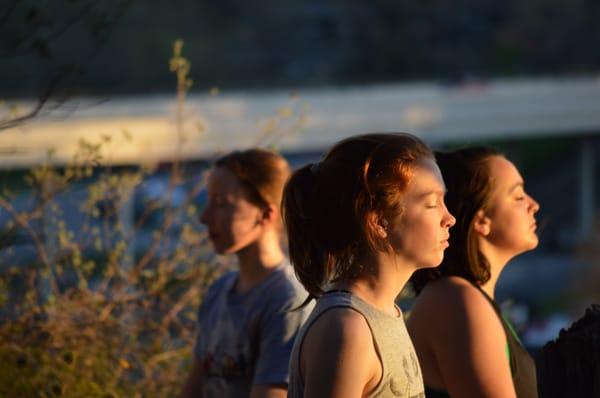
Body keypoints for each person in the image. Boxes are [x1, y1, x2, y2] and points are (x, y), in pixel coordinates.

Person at [283, 133, 456, 398]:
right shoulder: (347, 329)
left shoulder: (385, 314)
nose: (450, 218)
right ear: (379, 221)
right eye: (432, 204)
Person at [408, 147, 540, 398]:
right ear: (481, 221)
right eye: (518, 195)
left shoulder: (466, 299)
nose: (534, 205)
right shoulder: (456, 301)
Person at [179, 149, 311, 398]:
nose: (204, 217)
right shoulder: (219, 291)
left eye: (221, 204)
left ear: (265, 214)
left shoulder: (287, 301)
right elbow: (195, 386)